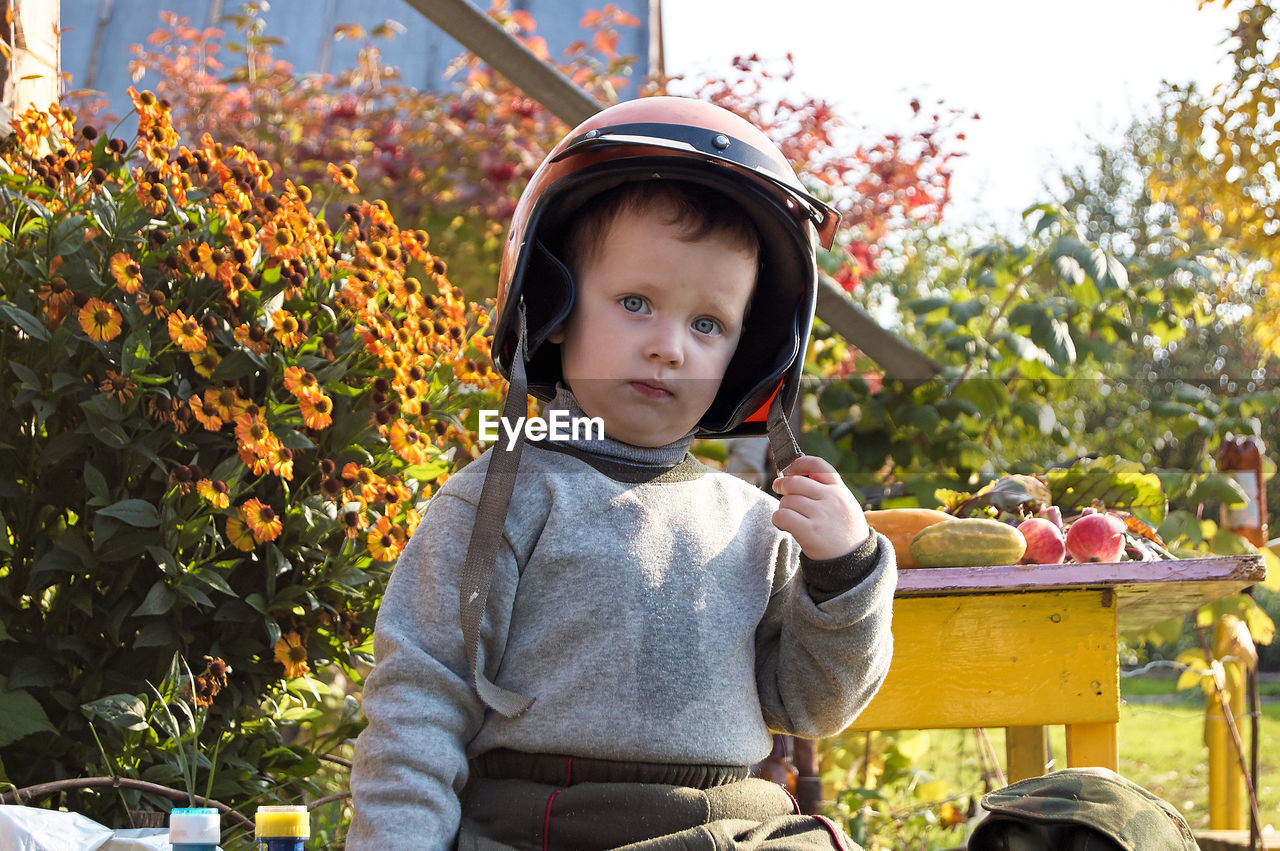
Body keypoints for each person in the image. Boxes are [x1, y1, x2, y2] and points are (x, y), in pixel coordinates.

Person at [348, 96, 897, 850]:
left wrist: (845, 571)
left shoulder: (754, 520)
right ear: (555, 310)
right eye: (636, 302)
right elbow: (420, 700)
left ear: (751, 351)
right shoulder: (500, 497)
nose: (669, 346)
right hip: (544, 829)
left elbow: (812, 705)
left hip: (734, 828)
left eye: (708, 324)